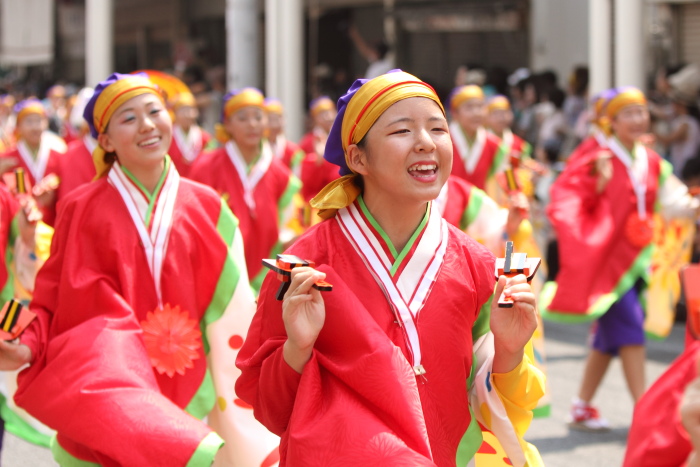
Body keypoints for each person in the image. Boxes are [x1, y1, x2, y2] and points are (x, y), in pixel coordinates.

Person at [236, 70, 544, 466]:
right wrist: (298, 347)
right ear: (357, 157)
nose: (425, 143)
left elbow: (500, 405)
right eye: (402, 131)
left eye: (437, 128)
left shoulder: (478, 265)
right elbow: (268, 406)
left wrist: (510, 349)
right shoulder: (304, 267)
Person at [0, 73, 279, 466]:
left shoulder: (208, 207)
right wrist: (15, 331)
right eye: (128, 118)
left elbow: (233, 310)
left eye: (154, 111)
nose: (148, 124)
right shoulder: (81, 208)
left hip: (192, 382)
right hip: (114, 387)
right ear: (106, 141)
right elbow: (50, 298)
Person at [541, 87, 699, 431]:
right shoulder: (595, 157)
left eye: (641, 112)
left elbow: (672, 200)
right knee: (629, 331)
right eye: (628, 113)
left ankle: (582, 406)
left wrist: (692, 206)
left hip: (637, 258)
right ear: (610, 121)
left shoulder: (650, 159)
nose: (638, 119)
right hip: (606, 260)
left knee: (609, 338)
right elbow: (566, 200)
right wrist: (597, 190)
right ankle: (648, 414)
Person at [190, 87, 300, 292]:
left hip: (267, 268)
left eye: (258, 117)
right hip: (219, 271)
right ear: (228, 124)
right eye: (242, 118)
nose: (252, 125)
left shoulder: (280, 173)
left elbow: (289, 220)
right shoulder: (206, 166)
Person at [0, 99, 66, 225]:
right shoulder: (8, 158)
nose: (35, 127)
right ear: (18, 127)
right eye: (29, 122)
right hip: (21, 227)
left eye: (39, 121)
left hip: (52, 225)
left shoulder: (58, 157)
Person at [449, 85, 508, 194]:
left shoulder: (495, 145)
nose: (476, 113)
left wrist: (515, 194)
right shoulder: (443, 141)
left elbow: (508, 174)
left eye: (480, 106)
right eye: (469, 107)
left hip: (482, 208)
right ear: (455, 113)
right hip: (447, 206)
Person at [167, 91, 212, 178]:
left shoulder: (205, 138)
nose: (187, 114)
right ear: (175, 113)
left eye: (190, 110)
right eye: (182, 110)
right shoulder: (167, 137)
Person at [264, 97, 305, 174]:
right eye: (270, 119)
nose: (274, 125)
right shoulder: (256, 149)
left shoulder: (293, 151)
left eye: (278, 118)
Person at [487, 95, 532, 160]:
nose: (500, 118)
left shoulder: (521, 145)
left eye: (504, 113)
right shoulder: (482, 142)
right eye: (496, 113)